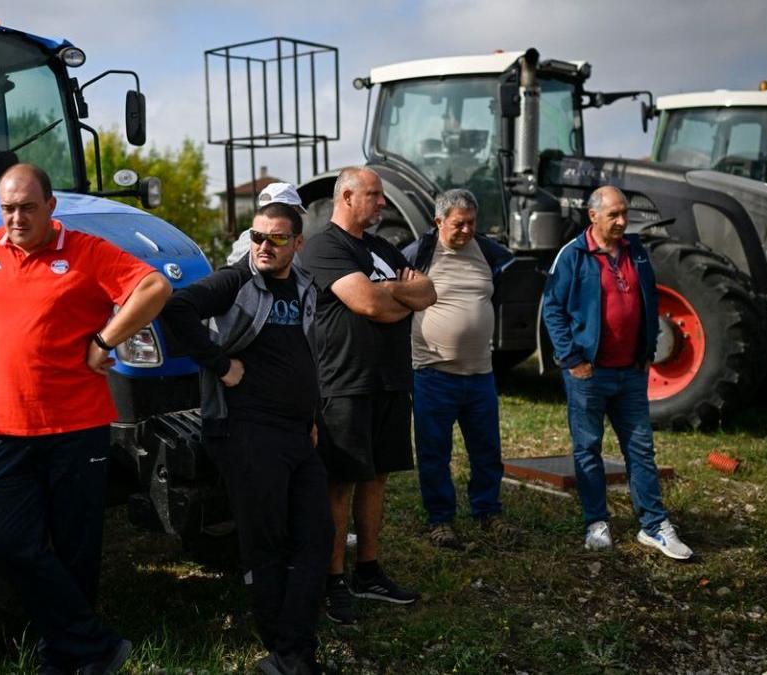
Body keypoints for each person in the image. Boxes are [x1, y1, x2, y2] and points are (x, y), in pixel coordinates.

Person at [0, 164, 171, 675]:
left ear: (50, 207)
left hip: (78, 426)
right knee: (11, 543)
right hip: (10, 426)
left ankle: (64, 652)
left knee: (77, 548)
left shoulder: (86, 250)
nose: (16, 218)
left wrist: (105, 340)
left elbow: (153, 288)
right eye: (9, 207)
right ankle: (96, 643)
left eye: (27, 207)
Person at [161, 191, 330, 675]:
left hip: (298, 433)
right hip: (248, 431)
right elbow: (176, 309)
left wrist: (312, 415)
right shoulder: (237, 280)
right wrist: (219, 364)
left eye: (277, 238)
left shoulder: (303, 286)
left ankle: (294, 649)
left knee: (316, 536)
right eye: (258, 236)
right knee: (267, 543)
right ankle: (285, 653)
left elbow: (308, 357)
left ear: (297, 242)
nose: (264, 246)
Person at [298, 167, 435, 624]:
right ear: (348, 196)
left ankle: (369, 570)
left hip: (391, 382)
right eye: (374, 196)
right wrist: (399, 293)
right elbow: (369, 304)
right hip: (345, 384)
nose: (382, 204)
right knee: (341, 482)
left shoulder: (381, 248)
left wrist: (389, 291)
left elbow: (429, 291)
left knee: (377, 478)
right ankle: (333, 580)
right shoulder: (324, 246)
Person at [541, 185, 693, 560]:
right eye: (614, 215)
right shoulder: (573, 255)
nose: (623, 221)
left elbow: (649, 301)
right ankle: (596, 522)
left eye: (625, 214)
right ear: (593, 216)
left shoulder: (636, 251)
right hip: (588, 375)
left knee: (641, 450)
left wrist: (648, 350)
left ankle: (654, 526)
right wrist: (572, 358)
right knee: (588, 449)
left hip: (630, 374)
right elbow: (552, 309)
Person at [401, 189, 517, 550]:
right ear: (438, 222)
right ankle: (440, 520)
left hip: (480, 374)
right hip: (433, 375)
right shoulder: (418, 254)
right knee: (435, 453)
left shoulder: (487, 252)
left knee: (487, 450)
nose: (466, 230)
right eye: (458, 223)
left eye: (471, 222)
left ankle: (487, 510)